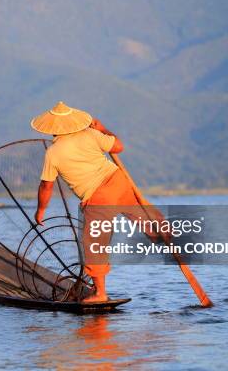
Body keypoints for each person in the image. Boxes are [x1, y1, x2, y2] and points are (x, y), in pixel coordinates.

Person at [31, 101, 160, 303]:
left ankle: (100, 294)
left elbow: (46, 186)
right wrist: (102, 129)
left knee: (94, 243)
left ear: (52, 130)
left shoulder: (53, 153)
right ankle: (161, 235)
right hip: (119, 182)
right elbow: (117, 146)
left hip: (98, 198)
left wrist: (40, 211)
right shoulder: (90, 134)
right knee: (143, 217)